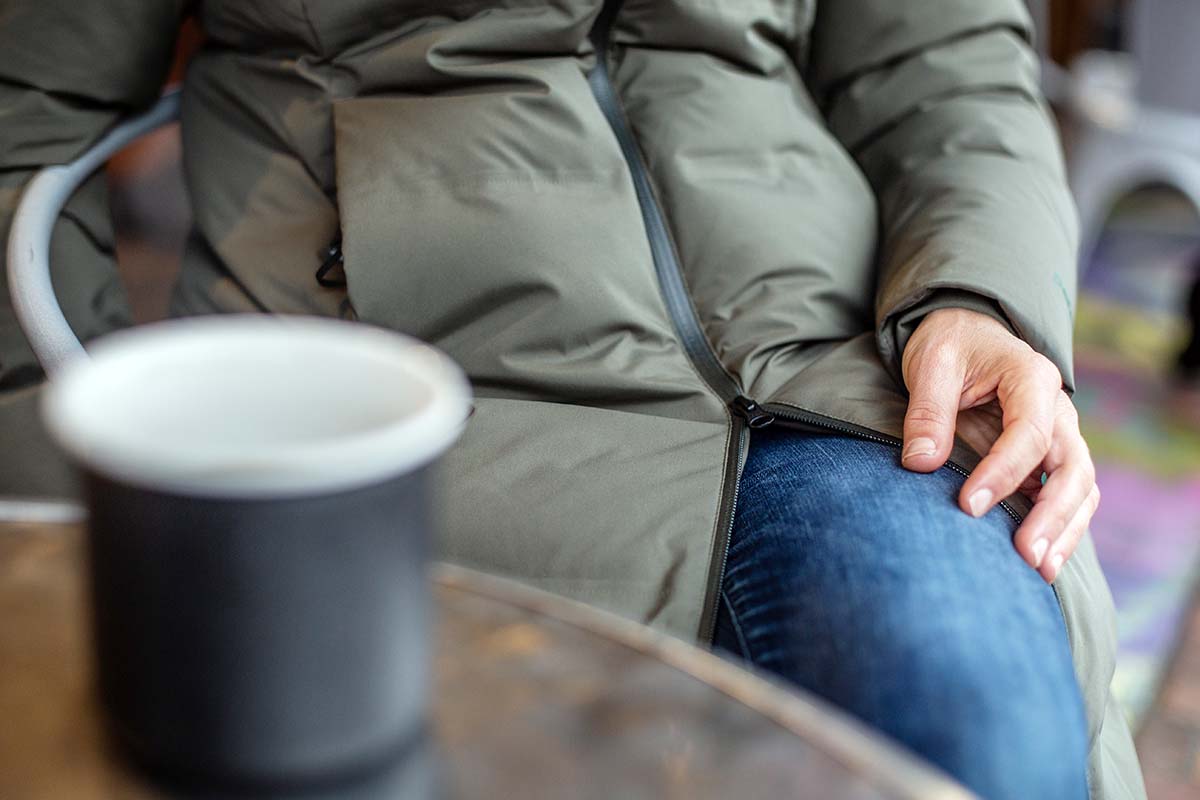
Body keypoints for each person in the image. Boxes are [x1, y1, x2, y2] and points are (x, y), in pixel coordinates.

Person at [0, 2, 1145, 798]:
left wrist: (976, 295)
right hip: (401, 392)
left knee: (974, 729)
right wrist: (92, 507)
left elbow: (948, 64)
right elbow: (21, 113)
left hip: (835, 365)